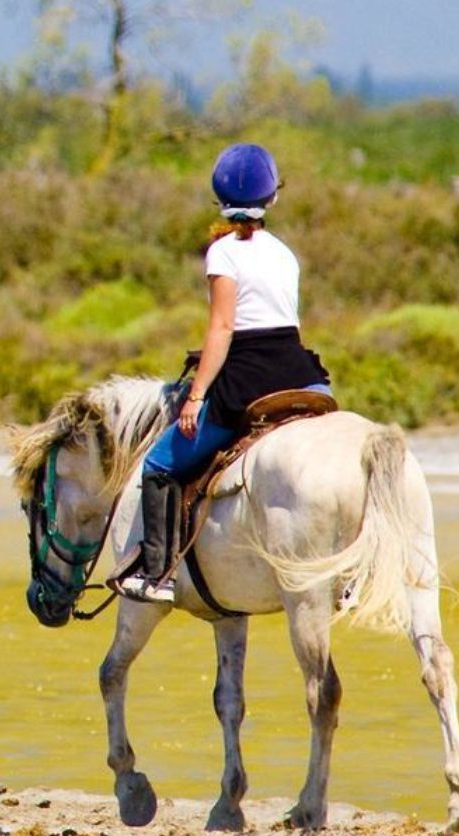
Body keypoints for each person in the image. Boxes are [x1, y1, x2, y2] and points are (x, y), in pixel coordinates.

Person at [115, 142, 332, 603]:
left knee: (158, 465)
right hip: (300, 371)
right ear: (272, 198)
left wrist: (194, 397)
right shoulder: (284, 253)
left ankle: (159, 575)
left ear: (220, 200)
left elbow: (223, 326)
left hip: (247, 376)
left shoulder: (222, 253)